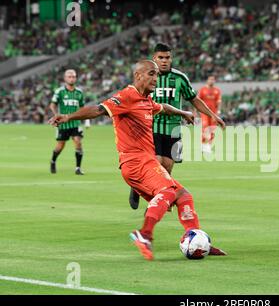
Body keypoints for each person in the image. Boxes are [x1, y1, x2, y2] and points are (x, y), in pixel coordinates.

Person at [49, 60, 227, 260]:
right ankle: (145, 235)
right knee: (168, 191)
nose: (155, 78)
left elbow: (164, 107)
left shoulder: (146, 100)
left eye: (157, 75)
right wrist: (68, 117)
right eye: (151, 73)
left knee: (183, 196)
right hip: (136, 162)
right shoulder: (127, 96)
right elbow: (98, 110)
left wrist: (183, 112)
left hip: (142, 162)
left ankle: (198, 239)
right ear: (138, 75)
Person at [128, 43, 226, 209]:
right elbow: (134, 98)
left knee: (167, 167)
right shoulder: (147, 77)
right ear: (154, 59)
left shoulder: (180, 78)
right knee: (155, 163)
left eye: (167, 57)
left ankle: (159, 195)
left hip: (174, 129)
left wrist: (212, 115)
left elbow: (194, 99)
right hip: (151, 128)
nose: (164, 61)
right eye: (161, 57)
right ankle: (149, 198)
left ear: (171, 58)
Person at [49, 69, 87, 175]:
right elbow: (52, 104)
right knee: (60, 145)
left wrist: (86, 121)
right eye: (69, 76)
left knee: (78, 142)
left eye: (73, 76)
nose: (72, 78)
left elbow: (83, 108)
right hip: (63, 123)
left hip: (75, 123)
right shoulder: (60, 92)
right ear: (65, 78)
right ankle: (53, 161)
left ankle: (78, 168)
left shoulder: (79, 93)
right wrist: (56, 114)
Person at [198, 75, 222, 153]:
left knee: (212, 129)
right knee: (205, 128)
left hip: (213, 113)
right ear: (207, 80)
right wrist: (196, 111)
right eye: (210, 79)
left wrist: (218, 111)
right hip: (204, 112)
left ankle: (208, 145)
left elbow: (219, 102)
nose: (212, 81)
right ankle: (203, 145)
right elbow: (197, 101)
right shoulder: (202, 90)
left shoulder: (217, 90)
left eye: (213, 80)